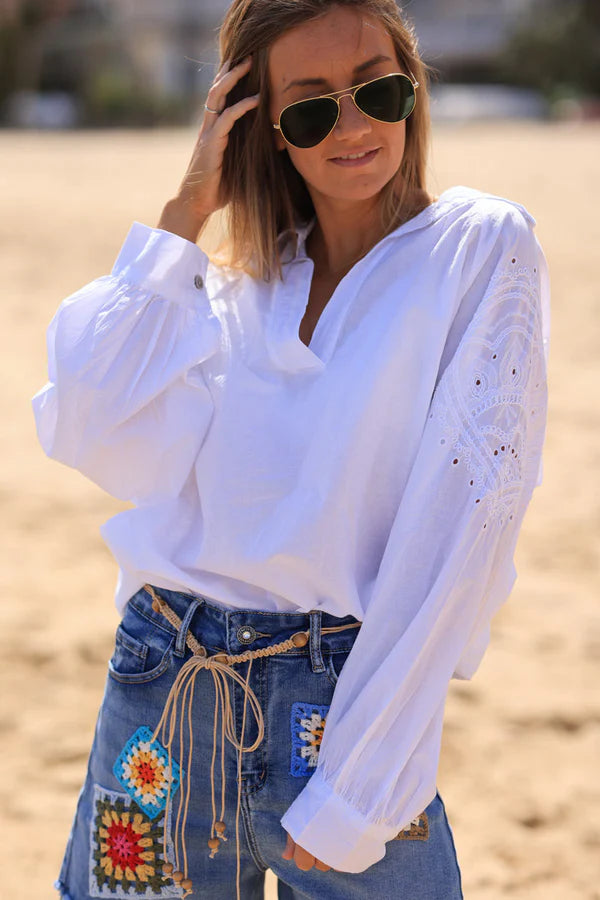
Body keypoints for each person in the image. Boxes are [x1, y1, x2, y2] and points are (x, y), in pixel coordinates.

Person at [32, 1, 550, 898]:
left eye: (378, 90)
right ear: (262, 127)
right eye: (311, 108)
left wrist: (360, 783)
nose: (353, 126)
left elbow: (463, 531)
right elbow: (85, 423)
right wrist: (185, 213)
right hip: (167, 685)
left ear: (413, 89)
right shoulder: (228, 289)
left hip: (343, 703)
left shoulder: (477, 246)